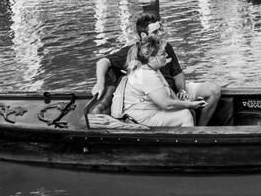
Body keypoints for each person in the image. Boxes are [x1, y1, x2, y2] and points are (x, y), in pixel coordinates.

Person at [91, 13, 223, 126]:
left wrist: (182, 91)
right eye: (155, 32)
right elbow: (103, 61)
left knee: (214, 90)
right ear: (143, 35)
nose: (160, 34)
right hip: (154, 98)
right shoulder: (133, 54)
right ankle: (190, 130)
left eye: (160, 30)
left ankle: (201, 129)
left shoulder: (165, 47)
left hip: (172, 90)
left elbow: (178, 73)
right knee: (184, 113)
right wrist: (100, 83)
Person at [111, 36, 207, 128]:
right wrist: (191, 105)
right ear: (152, 59)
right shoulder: (146, 75)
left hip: (150, 110)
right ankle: (189, 143)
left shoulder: (153, 69)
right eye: (162, 54)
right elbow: (167, 105)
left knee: (187, 110)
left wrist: (188, 103)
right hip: (139, 118)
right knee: (185, 115)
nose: (166, 55)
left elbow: (169, 92)